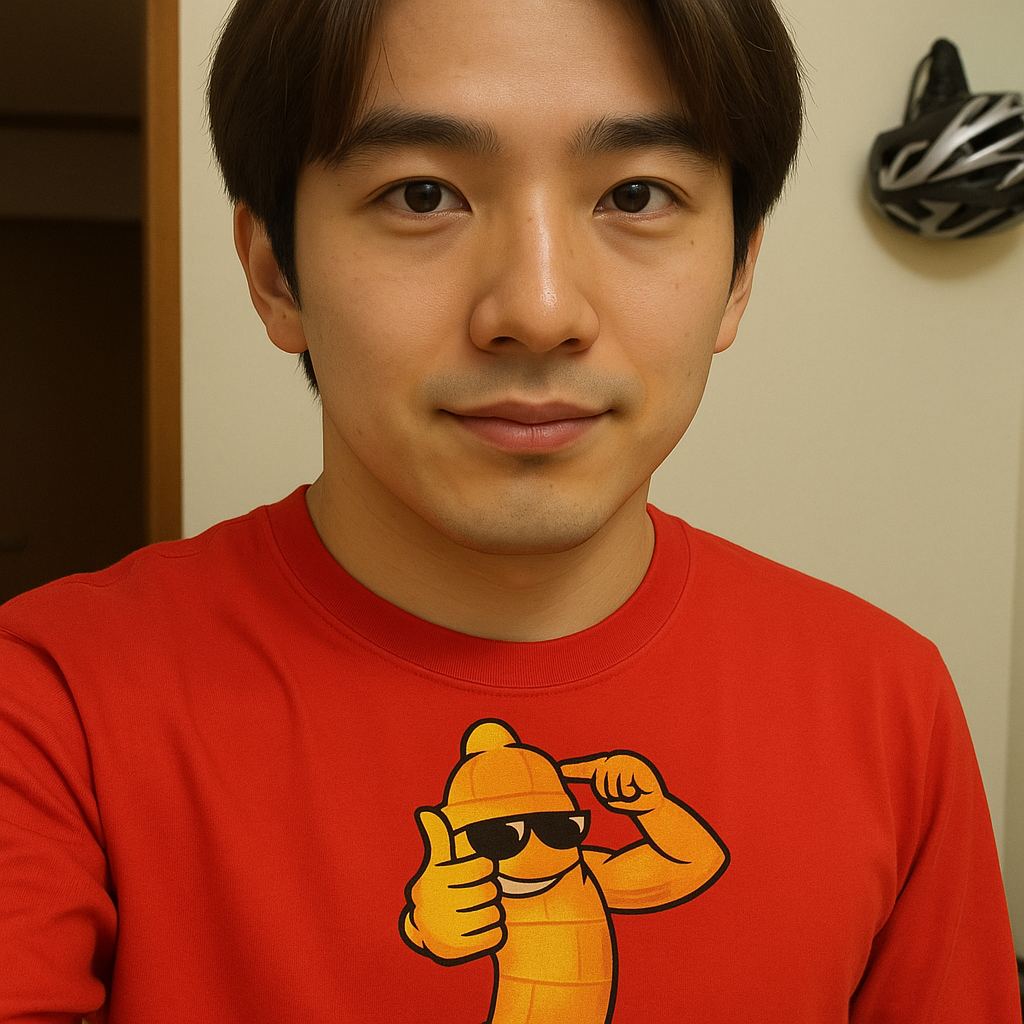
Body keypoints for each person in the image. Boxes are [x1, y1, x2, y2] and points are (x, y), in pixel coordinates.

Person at [0, 0, 1020, 1019]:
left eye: (635, 194)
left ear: (739, 271)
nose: (538, 309)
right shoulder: (50, 708)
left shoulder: (889, 706)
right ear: (276, 273)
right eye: (422, 195)